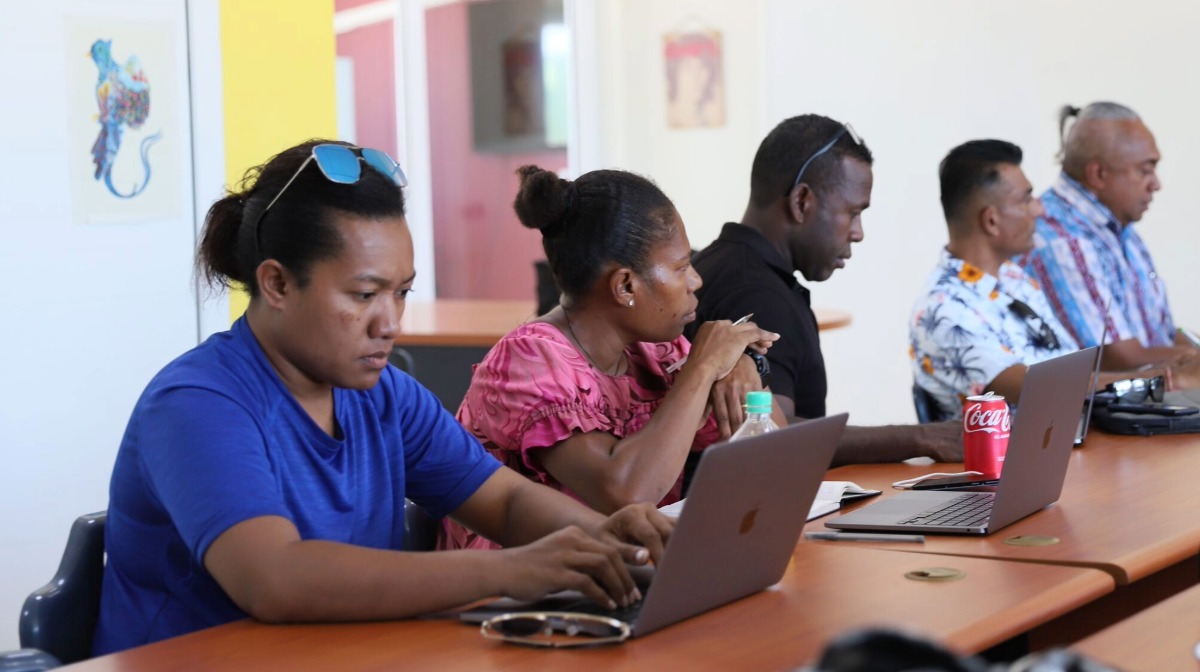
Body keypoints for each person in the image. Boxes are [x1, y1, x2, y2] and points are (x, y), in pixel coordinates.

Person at [93, 141, 673, 655]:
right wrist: (512, 570)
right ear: (276, 284)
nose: (389, 322)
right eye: (364, 294)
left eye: (400, 293)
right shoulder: (197, 404)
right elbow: (276, 578)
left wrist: (611, 540)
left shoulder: (384, 396)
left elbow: (504, 504)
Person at [440, 165, 781, 551]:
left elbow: (773, 445)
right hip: (514, 597)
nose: (696, 281)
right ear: (625, 286)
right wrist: (703, 368)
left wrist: (740, 365)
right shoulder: (529, 360)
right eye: (681, 267)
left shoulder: (652, 351)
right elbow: (627, 492)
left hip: (623, 578)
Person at [688, 114, 961, 464]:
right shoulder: (758, 294)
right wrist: (922, 438)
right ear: (802, 201)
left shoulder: (724, 262)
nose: (858, 232)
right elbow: (774, 437)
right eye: (853, 212)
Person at [1020, 102, 1197, 369]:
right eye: (1145, 170)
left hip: (1159, 395)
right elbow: (1117, 358)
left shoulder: (1120, 229)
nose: (1156, 184)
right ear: (1098, 174)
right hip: (1116, 404)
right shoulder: (1062, 240)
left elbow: (1161, 332)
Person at [910, 140, 1080, 416]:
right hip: (1009, 458)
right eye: (1026, 199)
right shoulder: (943, 309)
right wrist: (1149, 379)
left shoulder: (1014, 278)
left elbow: (1073, 367)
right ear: (991, 220)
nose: (1039, 209)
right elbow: (1044, 389)